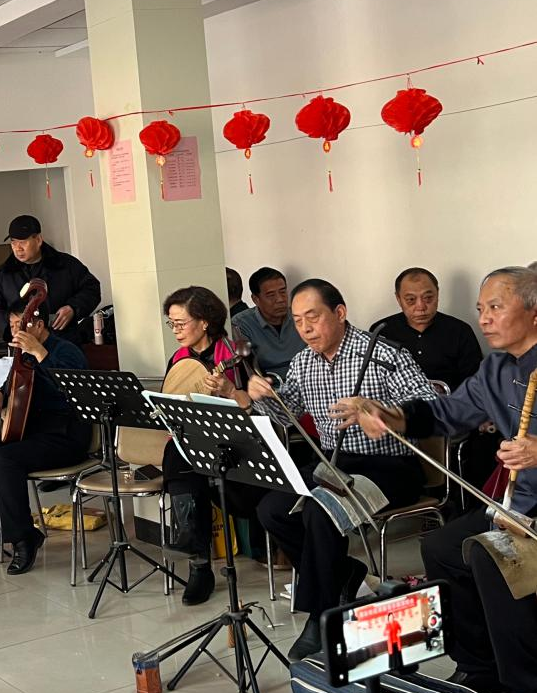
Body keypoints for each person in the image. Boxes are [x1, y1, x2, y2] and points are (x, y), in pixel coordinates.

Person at [210, 279, 437, 659]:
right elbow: (287, 415)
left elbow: (430, 405)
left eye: (312, 317)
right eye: (298, 321)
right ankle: (344, 573)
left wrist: (380, 410)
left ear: (340, 313)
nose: (305, 329)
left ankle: (322, 614)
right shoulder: (304, 361)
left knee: (319, 510)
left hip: (390, 464)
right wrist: (248, 396)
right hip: (333, 460)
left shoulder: (382, 354)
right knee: (272, 509)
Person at [345, 266, 537, 693]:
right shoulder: (495, 368)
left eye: (495, 307)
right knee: (442, 546)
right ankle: (479, 668)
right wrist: (390, 415)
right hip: (520, 504)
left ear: (534, 312)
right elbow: (446, 413)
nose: (483, 318)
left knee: (490, 555)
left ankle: (528, 689)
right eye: (480, 308)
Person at [0, 297, 90, 574]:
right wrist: (0, 397)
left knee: (5, 459)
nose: (14, 331)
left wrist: (40, 353)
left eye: (19, 324)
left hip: (65, 435)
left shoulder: (67, 350)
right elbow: (13, 391)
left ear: (39, 325)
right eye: (11, 324)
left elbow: (77, 392)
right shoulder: (20, 355)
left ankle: (24, 539)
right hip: (30, 431)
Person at [158, 286, 250, 605]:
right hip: (193, 442)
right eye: (171, 324)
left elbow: (255, 406)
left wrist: (229, 391)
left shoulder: (235, 353)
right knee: (178, 454)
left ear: (205, 321)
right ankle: (198, 561)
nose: (175, 330)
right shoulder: (178, 359)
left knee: (185, 462)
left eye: (181, 323)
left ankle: (196, 556)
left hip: (233, 441)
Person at [0, 215, 102, 349]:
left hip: (63, 342)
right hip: (23, 346)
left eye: (23, 242)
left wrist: (73, 308)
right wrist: (11, 329)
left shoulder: (66, 264)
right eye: (13, 242)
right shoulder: (3, 273)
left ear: (38, 240)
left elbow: (92, 288)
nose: (18, 248)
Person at [372, 268, 483, 390]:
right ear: (398, 299)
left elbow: (475, 384)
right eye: (411, 300)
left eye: (428, 298)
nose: (421, 307)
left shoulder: (460, 331)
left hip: (451, 400)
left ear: (437, 294)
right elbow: (373, 382)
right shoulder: (382, 331)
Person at [232, 267, 305, 380]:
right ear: (255, 299)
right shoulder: (241, 324)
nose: (280, 299)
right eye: (271, 295)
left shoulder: (300, 316)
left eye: (283, 292)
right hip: (269, 384)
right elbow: (246, 367)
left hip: (303, 381)